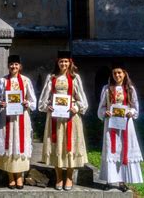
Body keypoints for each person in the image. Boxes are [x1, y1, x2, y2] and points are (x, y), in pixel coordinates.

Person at [38, 50, 88, 191]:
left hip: (71, 118)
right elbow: (43, 99)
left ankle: (69, 177)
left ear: (70, 62)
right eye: (61, 61)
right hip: (55, 118)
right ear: (57, 62)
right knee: (57, 145)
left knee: (70, 145)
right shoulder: (51, 77)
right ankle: (59, 177)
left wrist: (76, 107)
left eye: (66, 61)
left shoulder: (75, 78)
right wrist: (48, 106)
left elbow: (82, 99)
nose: (63, 64)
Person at [0, 54, 37, 189]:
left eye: (16, 64)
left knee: (19, 145)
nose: (14, 67)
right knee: (8, 146)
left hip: (21, 118)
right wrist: (2, 103)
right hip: (6, 119)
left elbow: (33, 102)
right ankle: (10, 177)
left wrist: (26, 103)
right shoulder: (3, 81)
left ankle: (19, 176)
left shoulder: (26, 81)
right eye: (11, 64)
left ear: (20, 66)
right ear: (8, 66)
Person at [98, 63, 143, 192]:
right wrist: (104, 113)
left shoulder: (130, 89)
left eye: (119, 73)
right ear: (112, 75)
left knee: (124, 149)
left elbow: (135, 107)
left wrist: (131, 112)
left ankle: (122, 181)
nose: (117, 75)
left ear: (124, 74)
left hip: (126, 124)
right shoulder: (107, 89)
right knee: (110, 150)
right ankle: (110, 180)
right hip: (111, 124)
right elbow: (101, 108)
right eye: (114, 73)